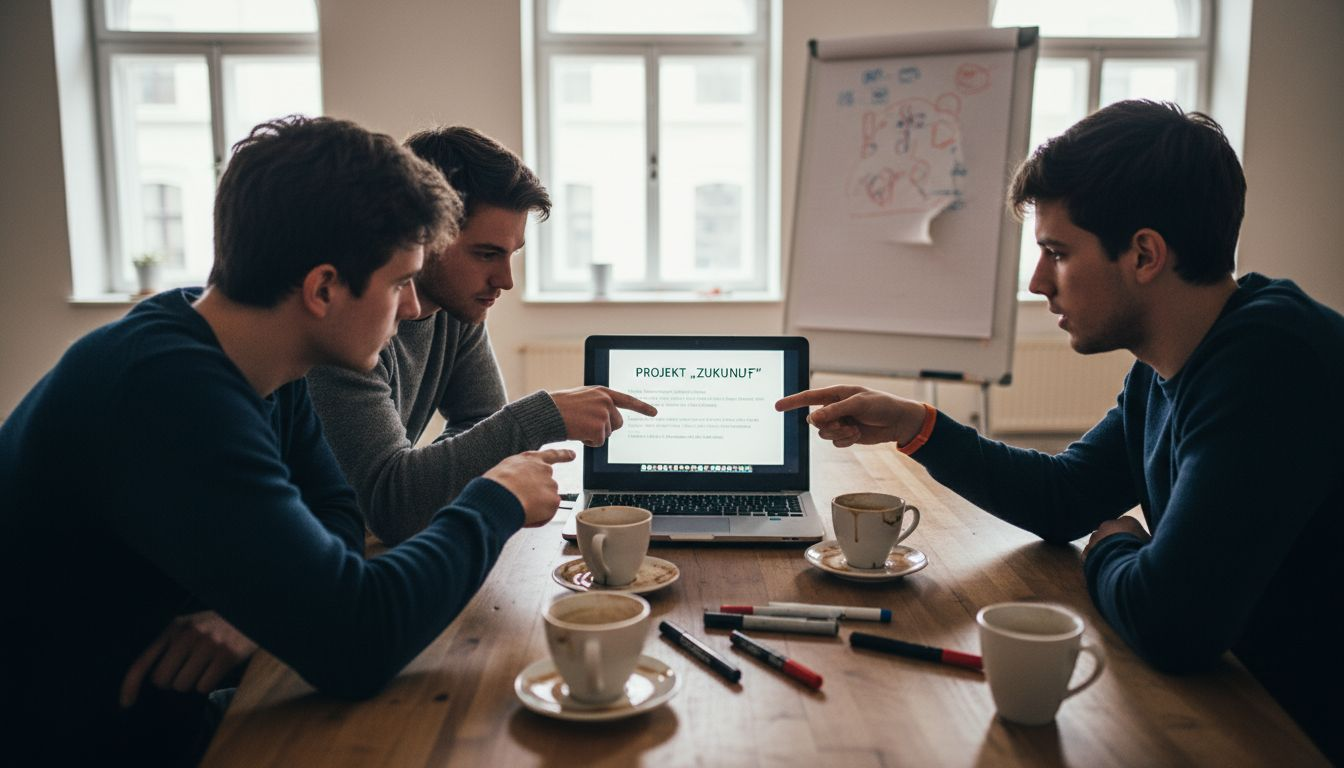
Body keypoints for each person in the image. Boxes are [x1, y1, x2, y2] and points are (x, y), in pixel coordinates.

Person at [777, 100, 1343, 761]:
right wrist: (916, 425)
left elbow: (1170, 624)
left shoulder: (1269, 362)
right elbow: (1066, 496)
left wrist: (1114, 543)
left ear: (1145, 254)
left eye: (1057, 252)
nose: (1039, 281)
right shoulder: (1173, 361)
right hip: (1243, 701)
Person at [0, 116, 572, 766]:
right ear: (323, 288)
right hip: (80, 737)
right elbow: (357, 640)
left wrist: (264, 609)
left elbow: (337, 517)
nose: (412, 311)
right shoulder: (169, 389)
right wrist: (493, 499)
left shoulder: (266, 359)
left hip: (160, 709)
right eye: (396, 284)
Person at [307, 125, 655, 545]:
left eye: (512, 254)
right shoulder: (349, 325)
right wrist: (540, 417)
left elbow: (479, 421)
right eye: (487, 253)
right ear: (424, 234)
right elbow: (391, 505)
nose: (505, 280)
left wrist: (432, 478)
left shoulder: (459, 310)